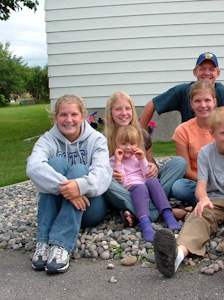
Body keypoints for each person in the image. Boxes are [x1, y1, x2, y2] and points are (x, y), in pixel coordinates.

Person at [153, 107, 224, 280]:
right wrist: (202, 200)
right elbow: (201, 186)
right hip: (214, 200)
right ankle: (177, 255)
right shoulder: (205, 153)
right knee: (198, 216)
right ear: (212, 133)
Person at [27, 94, 112, 274]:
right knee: (55, 164)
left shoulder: (96, 139)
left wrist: (80, 186)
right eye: (63, 115)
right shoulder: (47, 139)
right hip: (62, 202)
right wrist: (67, 187)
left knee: (79, 170)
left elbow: (103, 173)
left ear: (82, 116)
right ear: (56, 117)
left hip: (89, 206)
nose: (68, 120)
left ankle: (60, 244)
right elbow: (33, 167)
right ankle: (43, 242)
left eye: (74, 114)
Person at [103, 91, 188, 226]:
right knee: (104, 181)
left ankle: (138, 211)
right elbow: (101, 169)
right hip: (124, 188)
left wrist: (153, 167)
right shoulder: (104, 139)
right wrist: (110, 173)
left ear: (133, 111)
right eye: (118, 109)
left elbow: (147, 163)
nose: (123, 113)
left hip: (144, 183)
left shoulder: (142, 134)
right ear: (110, 112)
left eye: (127, 108)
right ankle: (161, 210)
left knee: (179, 162)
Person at [109, 126, 181, 242]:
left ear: (137, 144)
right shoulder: (113, 160)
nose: (128, 148)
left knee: (153, 181)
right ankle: (145, 224)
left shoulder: (137, 157)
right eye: (123, 144)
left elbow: (147, 175)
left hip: (144, 186)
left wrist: (143, 160)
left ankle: (168, 215)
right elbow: (122, 182)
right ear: (117, 144)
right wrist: (118, 161)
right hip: (131, 190)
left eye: (132, 144)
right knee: (140, 188)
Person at [139, 52, 224, 128]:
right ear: (194, 72)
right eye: (202, 69)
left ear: (218, 73)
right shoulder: (183, 90)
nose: (207, 73)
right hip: (189, 140)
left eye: (211, 69)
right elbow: (152, 104)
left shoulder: (223, 92)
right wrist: (141, 134)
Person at [170, 81, 217, 207]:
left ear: (214, 102)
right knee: (179, 187)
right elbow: (186, 170)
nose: (203, 105)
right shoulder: (183, 130)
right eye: (197, 101)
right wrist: (207, 181)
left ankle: (209, 200)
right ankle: (219, 198)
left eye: (207, 100)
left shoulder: (223, 124)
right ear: (191, 103)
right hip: (198, 181)